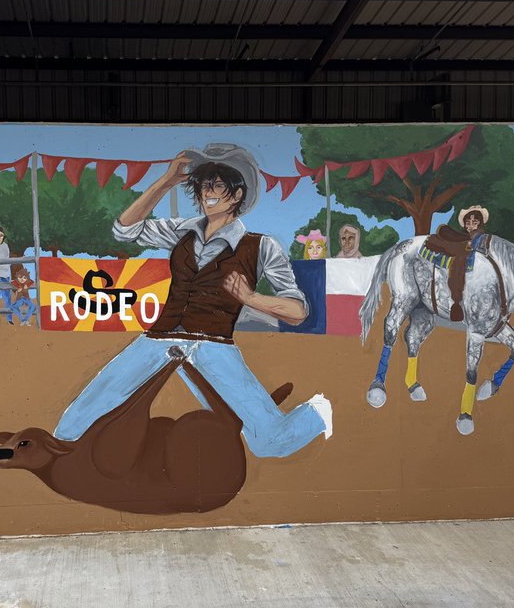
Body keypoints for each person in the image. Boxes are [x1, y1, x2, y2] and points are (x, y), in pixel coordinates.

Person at [53, 143, 332, 459]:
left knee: (269, 442)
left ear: (238, 195)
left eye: (217, 185)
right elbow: (124, 230)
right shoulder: (181, 231)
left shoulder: (262, 246)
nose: (206, 191)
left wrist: (250, 297)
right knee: (71, 426)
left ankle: (317, 412)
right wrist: (166, 182)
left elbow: (297, 311)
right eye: (202, 185)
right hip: (158, 340)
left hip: (212, 346)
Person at [423, 205, 490, 322]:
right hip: (462, 242)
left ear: (480, 223)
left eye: (474, 222)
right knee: (455, 247)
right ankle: (456, 301)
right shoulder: (466, 238)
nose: (470, 226)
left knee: (460, 254)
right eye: (468, 222)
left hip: (468, 243)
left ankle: (458, 301)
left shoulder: (480, 238)